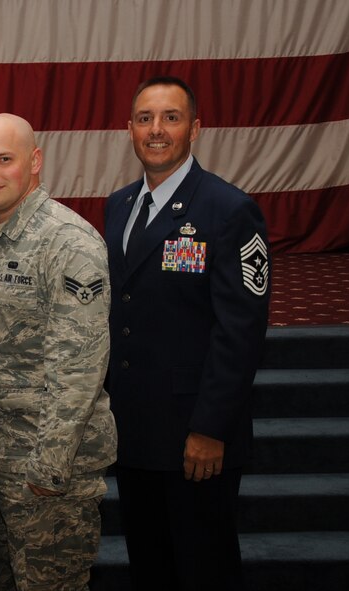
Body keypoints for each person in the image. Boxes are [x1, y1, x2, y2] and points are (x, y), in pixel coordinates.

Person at [104, 76, 271, 590]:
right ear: (129, 128)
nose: (157, 130)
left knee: (205, 569)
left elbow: (240, 332)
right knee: (150, 567)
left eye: (171, 118)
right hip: (134, 432)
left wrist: (210, 428)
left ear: (195, 128)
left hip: (194, 437)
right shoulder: (119, 205)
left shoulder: (229, 210)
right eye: (145, 118)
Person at [0, 113, 116, 591]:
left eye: (4, 160)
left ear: (34, 162)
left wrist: (49, 466)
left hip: (49, 469)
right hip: (1, 458)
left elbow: (79, 364)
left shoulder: (67, 241)